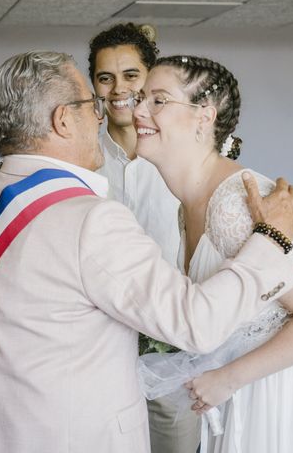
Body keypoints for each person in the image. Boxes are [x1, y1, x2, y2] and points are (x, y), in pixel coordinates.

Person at [0, 50, 293, 453]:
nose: (101, 116)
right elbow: (196, 324)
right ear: (63, 119)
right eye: (91, 105)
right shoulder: (91, 220)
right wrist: (271, 240)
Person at [132, 55, 293, 452]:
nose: (139, 110)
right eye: (141, 98)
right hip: (247, 385)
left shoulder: (234, 204)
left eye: (158, 100)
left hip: (291, 394)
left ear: (204, 116)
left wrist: (227, 378)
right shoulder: (188, 203)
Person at [88, 23, 199, 453]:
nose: (119, 89)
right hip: (97, 352)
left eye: (131, 74)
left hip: (171, 351)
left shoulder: (186, 159)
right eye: (105, 77)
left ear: (150, 78)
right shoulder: (82, 165)